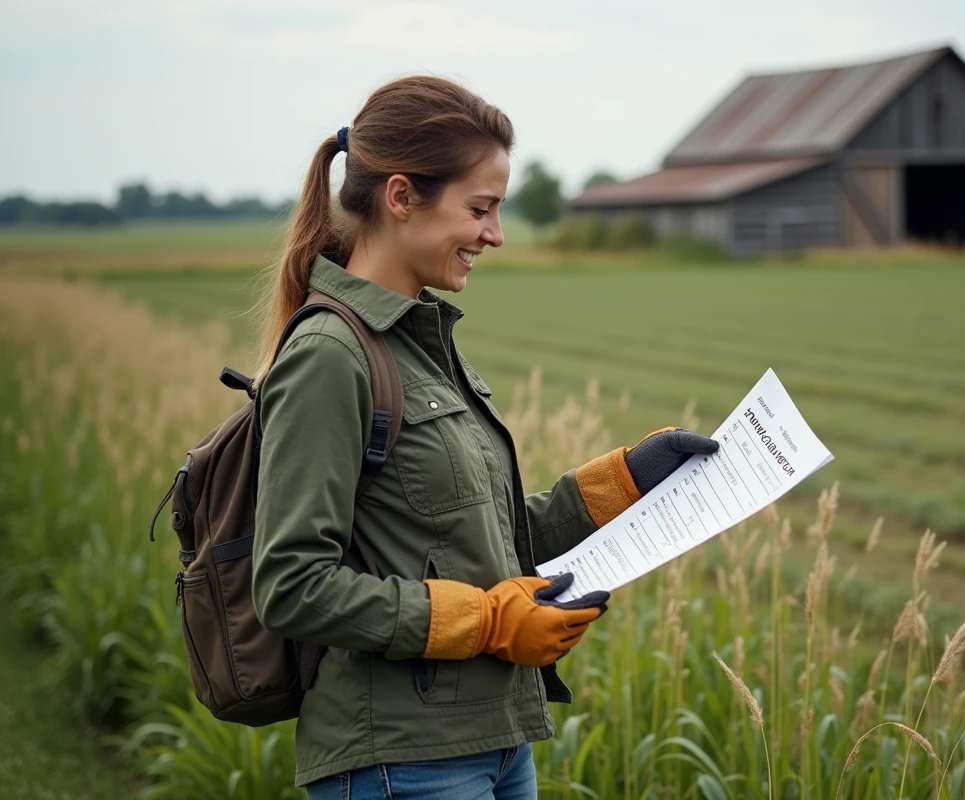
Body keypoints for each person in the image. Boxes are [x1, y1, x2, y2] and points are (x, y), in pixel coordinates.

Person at [249, 75, 718, 799]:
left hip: (494, 744)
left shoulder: (420, 340)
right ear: (402, 197)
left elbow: (481, 536)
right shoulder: (329, 357)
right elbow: (294, 586)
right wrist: (493, 621)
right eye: (480, 209)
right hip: (398, 761)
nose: (494, 234)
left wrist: (622, 481)